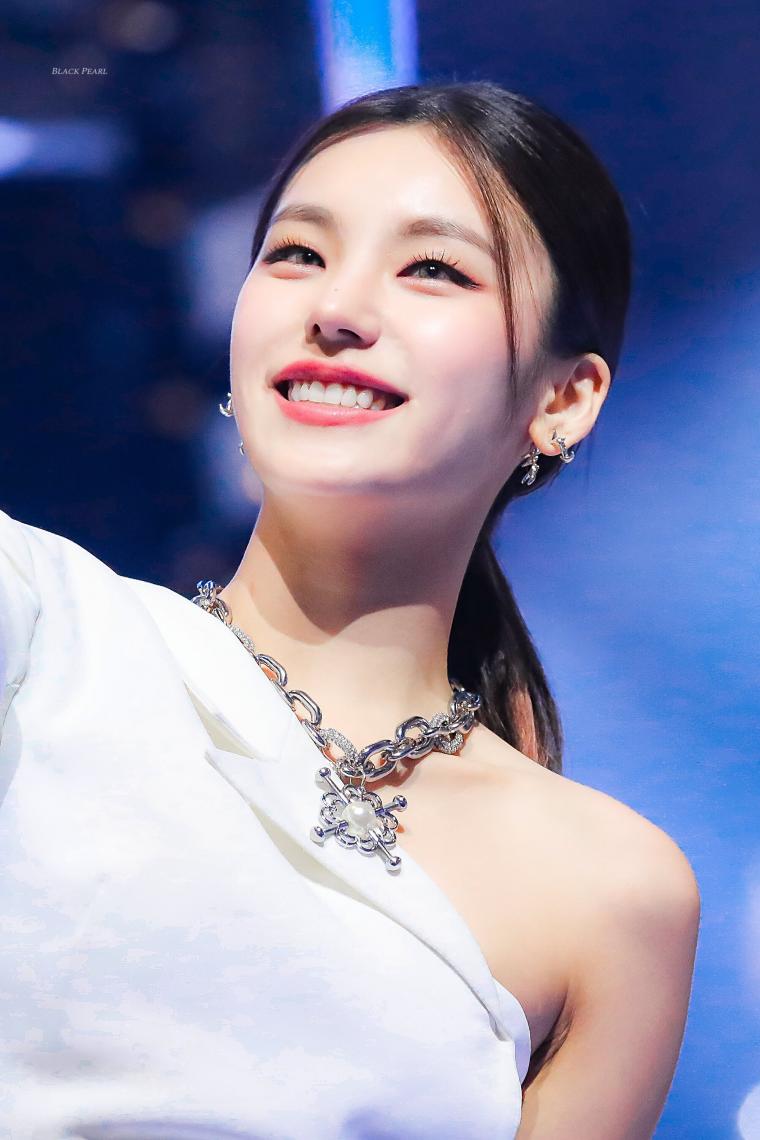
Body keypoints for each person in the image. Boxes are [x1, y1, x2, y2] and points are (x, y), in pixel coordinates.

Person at [0, 81, 700, 1139]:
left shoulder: (613, 890)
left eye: (433, 269)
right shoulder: (47, 630)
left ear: (564, 399)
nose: (334, 308)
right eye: (296, 254)